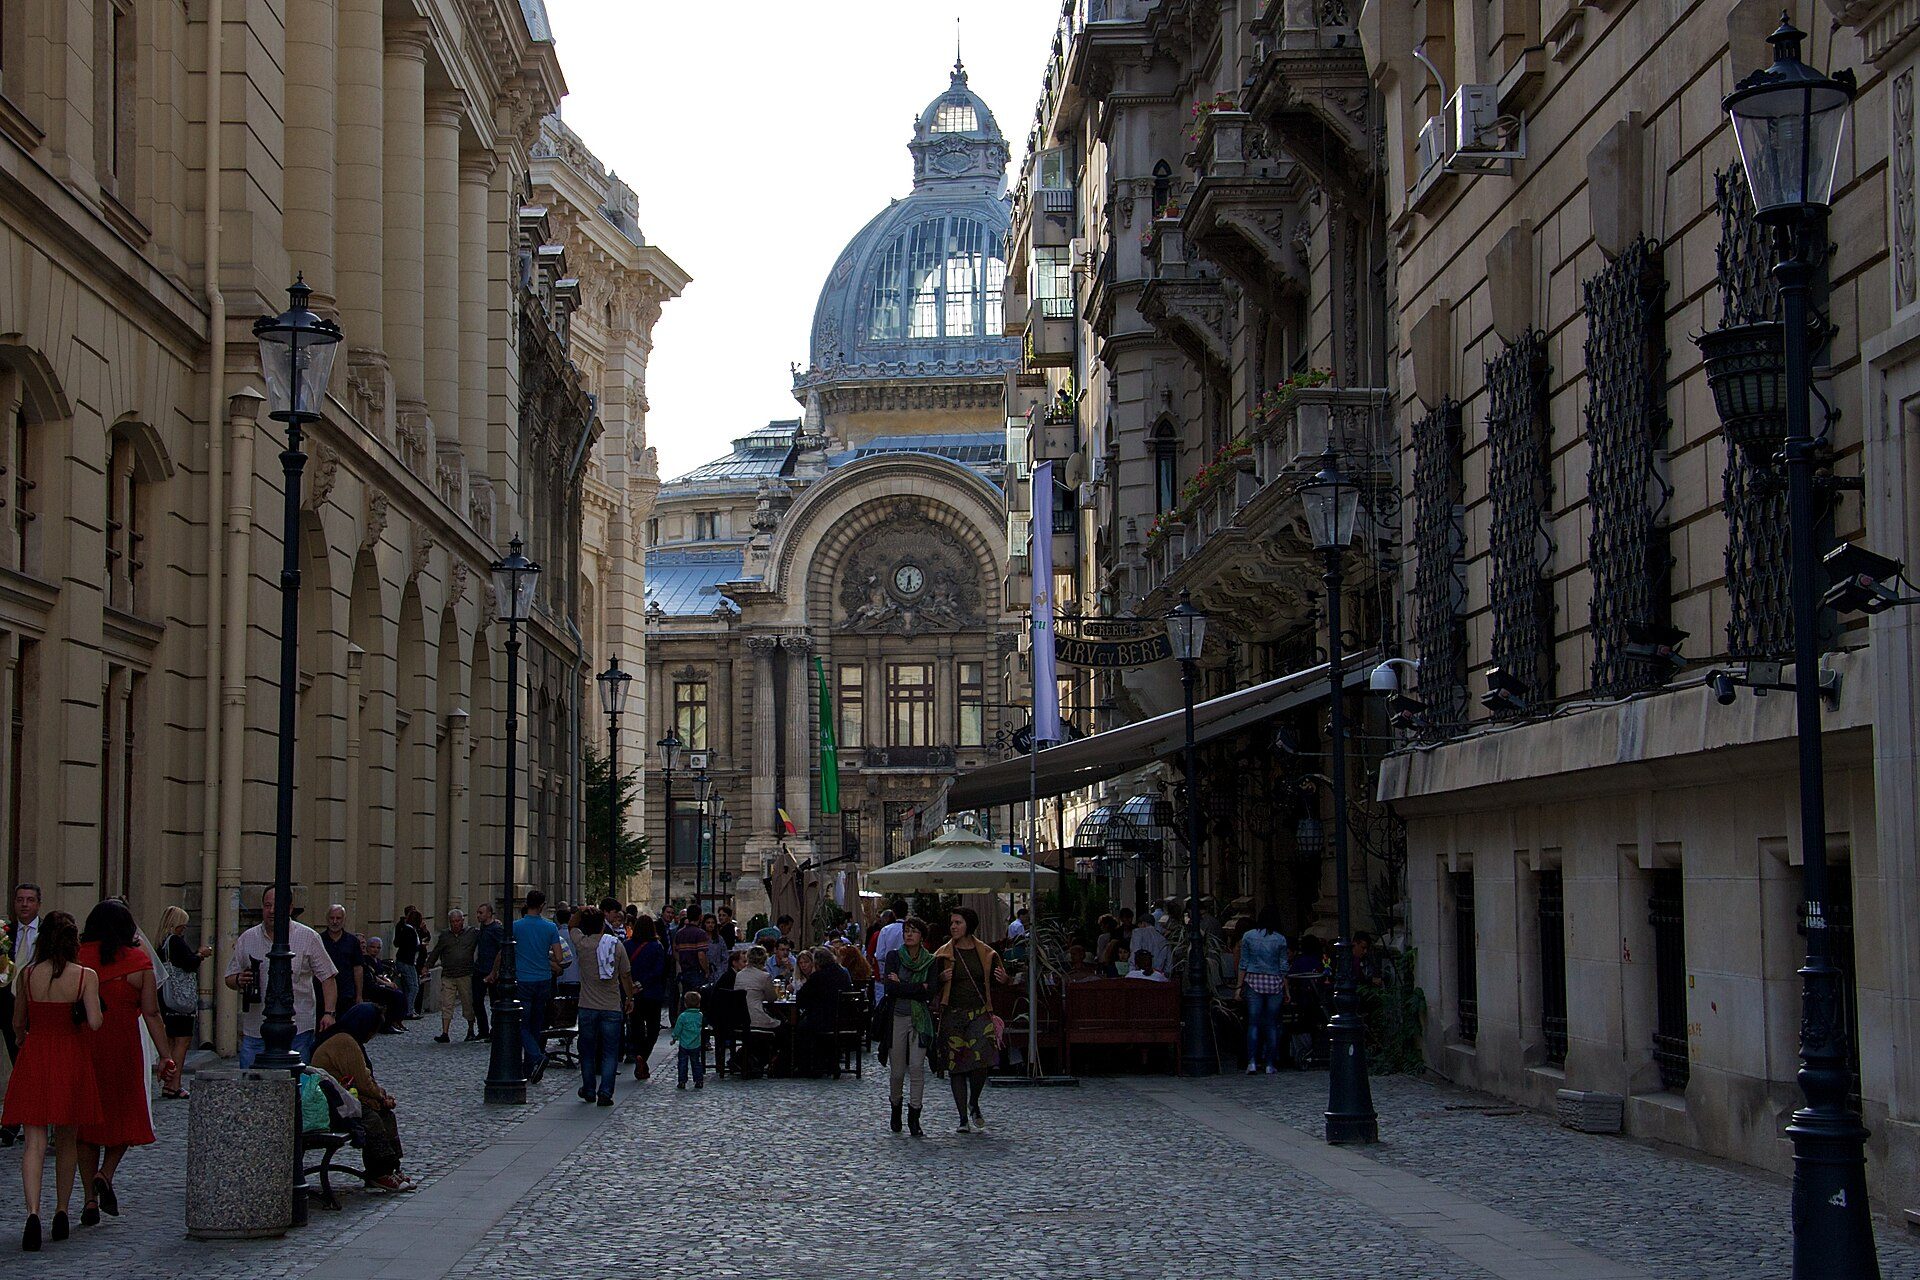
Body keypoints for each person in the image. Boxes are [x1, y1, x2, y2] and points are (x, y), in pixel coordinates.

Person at [4, 910, 103, 1249]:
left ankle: (32, 1213)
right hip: (70, 1056)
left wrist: (22, 1038)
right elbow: (94, 1022)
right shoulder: (84, 976)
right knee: (67, 1140)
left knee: (33, 1142)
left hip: (36, 1054)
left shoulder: (28, 975)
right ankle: (61, 1209)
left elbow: (19, 1021)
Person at [76, 901, 175, 1227]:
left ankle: (90, 1199)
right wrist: (165, 1055)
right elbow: (151, 1013)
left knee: (87, 1124)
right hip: (123, 1047)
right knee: (125, 1115)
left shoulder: (78, 959)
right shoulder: (138, 961)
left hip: (86, 1046)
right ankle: (106, 1173)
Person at [225, 887, 337, 1068]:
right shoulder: (248, 938)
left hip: (298, 1026)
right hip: (256, 1027)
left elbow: (328, 977)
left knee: (295, 1080)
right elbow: (229, 977)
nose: (272, 910)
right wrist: (239, 980)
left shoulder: (308, 936)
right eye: (267, 905)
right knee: (250, 1082)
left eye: (277, 905)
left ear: (290, 908)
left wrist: (329, 1013)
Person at [309, 1003, 414, 1192]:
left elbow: (362, 1080)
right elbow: (363, 1082)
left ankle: (391, 1167)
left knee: (385, 1115)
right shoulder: (344, 1041)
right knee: (372, 1118)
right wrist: (381, 1098)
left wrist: (381, 1098)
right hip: (331, 1106)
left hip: (342, 1099)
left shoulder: (347, 1038)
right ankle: (379, 1172)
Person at [935, 907, 1008, 1134]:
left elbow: (997, 980)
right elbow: (932, 984)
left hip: (979, 1012)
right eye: (952, 923)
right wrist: (940, 978)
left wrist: (1005, 979)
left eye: (958, 922)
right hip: (953, 1014)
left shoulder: (986, 953)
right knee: (956, 1067)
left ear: (968, 925)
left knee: (982, 1062)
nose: (953, 927)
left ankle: (974, 1101)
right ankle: (962, 1118)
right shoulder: (943, 954)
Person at [570, 908, 633, 1106]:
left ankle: (588, 1088)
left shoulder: (582, 944)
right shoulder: (616, 945)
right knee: (610, 1052)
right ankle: (605, 1091)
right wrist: (630, 997)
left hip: (587, 1006)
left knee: (587, 1050)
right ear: (602, 925)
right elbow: (626, 975)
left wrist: (580, 911)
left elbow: (572, 925)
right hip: (611, 1005)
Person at [881, 917, 936, 1138]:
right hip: (897, 1017)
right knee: (896, 1072)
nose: (908, 934)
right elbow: (889, 988)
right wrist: (915, 987)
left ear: (922, 935)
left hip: (920, 1020)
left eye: (913, 931)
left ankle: (915, 1117)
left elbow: (929, 991)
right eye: (906, 931)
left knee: (916, 1067)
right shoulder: (895, 957)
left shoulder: (930, 961)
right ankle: (896, 1108)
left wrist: (903, 985)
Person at [0, 882, 43, 1143]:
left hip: (37, 1008)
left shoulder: (47, 933)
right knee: (15, 1066)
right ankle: (12, 1122)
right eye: (20, 900)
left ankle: (31, 1119)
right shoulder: (6, 932)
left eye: (29, 900)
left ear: (38, 903)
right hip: (7, 1007)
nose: (24, 905)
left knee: (31, 1068)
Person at [154, 906, 211, 1099]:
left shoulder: (161, 943)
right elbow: (189, 963)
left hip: (165, 997)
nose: (184, 929)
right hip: (179, 1000)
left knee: (170, 1041)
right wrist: (200, 954)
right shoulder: (176, 942)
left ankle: (168, 1082)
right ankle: (174, 1083)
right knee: (182, 1041)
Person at [512, 890, 565, 1083]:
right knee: (536, 1023)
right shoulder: (550, 927)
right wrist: (545, 956)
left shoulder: (516, 926)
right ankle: (529, 1067)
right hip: (543, 979)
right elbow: (559, 957)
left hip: (523, 979)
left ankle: (536, 1057)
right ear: (542, 905)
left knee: (521, 1024)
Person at [1236, 906, 1289, 1075]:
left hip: (1253, 981)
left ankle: (1251, 1061)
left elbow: (1243, 964)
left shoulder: (1248, 937)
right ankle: (1269, 1063)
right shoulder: (1280, 940)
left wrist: (1238, 987)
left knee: (1253, 1023)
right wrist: (1287, 990)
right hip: (1274, 982)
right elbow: (1283, 968)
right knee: (1271, 1024)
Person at [793, 946, 848, 1078]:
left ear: (817, 963)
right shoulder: (842, 973)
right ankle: (825, 1062)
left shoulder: (818, 977)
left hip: (822, 1020)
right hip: (843, 1019)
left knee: (799, 1028)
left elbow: (801, 998)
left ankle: (806, 1065)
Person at [425, 909, 479, 1043]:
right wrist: (427, 966)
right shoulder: (445, 936)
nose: (455, 924)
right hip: (448, 975)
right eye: (453, 921)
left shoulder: (472, 933)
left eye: (457, 921)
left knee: (468, 1004)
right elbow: (436, 951)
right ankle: (445, 1033)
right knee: (447, 1004)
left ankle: (471, 1029)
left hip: (465, 974)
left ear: (462, 921)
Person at [626, 915, 668, 1081]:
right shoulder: (656, 946)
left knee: (636, 1026)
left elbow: (623, 967)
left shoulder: (627, 945)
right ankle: (643, 1055)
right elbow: (659, 970)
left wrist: (633, 984)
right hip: (652, 992)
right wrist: (643, 982)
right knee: (653, 1028)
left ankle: (638, 1053)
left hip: (634, 992)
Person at [319, 905, 364, 1017]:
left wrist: (359, 995)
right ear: (327, 919)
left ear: (343, 920)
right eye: (332, 918)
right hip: (323, 994)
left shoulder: (352, 941)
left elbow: (358, 969)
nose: (335, 922)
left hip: (346, 993)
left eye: (338, 918)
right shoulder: (319, 940)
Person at [360, 936, 410, 1032]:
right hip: (370, 987)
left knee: (400, 994)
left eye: (378, 948)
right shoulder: (366, 960)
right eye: (373, 947)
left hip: (378, 985)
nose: (375, 950)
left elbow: (381, 975)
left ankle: (398, 1020)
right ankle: (388, 1024)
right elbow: (374, 976)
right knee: (395, 996)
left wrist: (388, 982)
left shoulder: (378, 961)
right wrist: (385, 983)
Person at [472, 901, 504, 1039]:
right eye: (478, 913)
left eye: (481, 913)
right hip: (480, 968)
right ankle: (483, 1029)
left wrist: (495, 971)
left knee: (494, 1002)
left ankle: (495, 1030)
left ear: (489, 914)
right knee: (477, 1001)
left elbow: (502, 949)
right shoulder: (483, 928)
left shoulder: (496, 929)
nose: (478, 915)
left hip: (493, 970)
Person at [670, 990, 704, 1090]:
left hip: (684, 1044)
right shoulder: (700, 1016)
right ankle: (699, 1080)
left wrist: (674, 1038)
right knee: (696, 1063)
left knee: (682, 1063)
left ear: (685, 1004)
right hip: (696, 1044)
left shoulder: (683, 1016)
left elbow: (677, 1029)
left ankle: (682, 1081)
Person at [673, 911, 711, 993]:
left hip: (684, 971)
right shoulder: (700, 933)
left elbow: (675, 952)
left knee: (686, 996)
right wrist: (706, 970)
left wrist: (682, 961)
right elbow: (701, 956)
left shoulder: (679, 933)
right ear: (700, 917)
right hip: (697, 971)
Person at [1129, 909, 1173, 976]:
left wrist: (1131, 973)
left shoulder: (1138, 933)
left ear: (1143, 923)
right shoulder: (1164, 940)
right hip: (1157, 977)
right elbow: (1168, 967)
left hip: (1140, 976)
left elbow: (1134, 954)